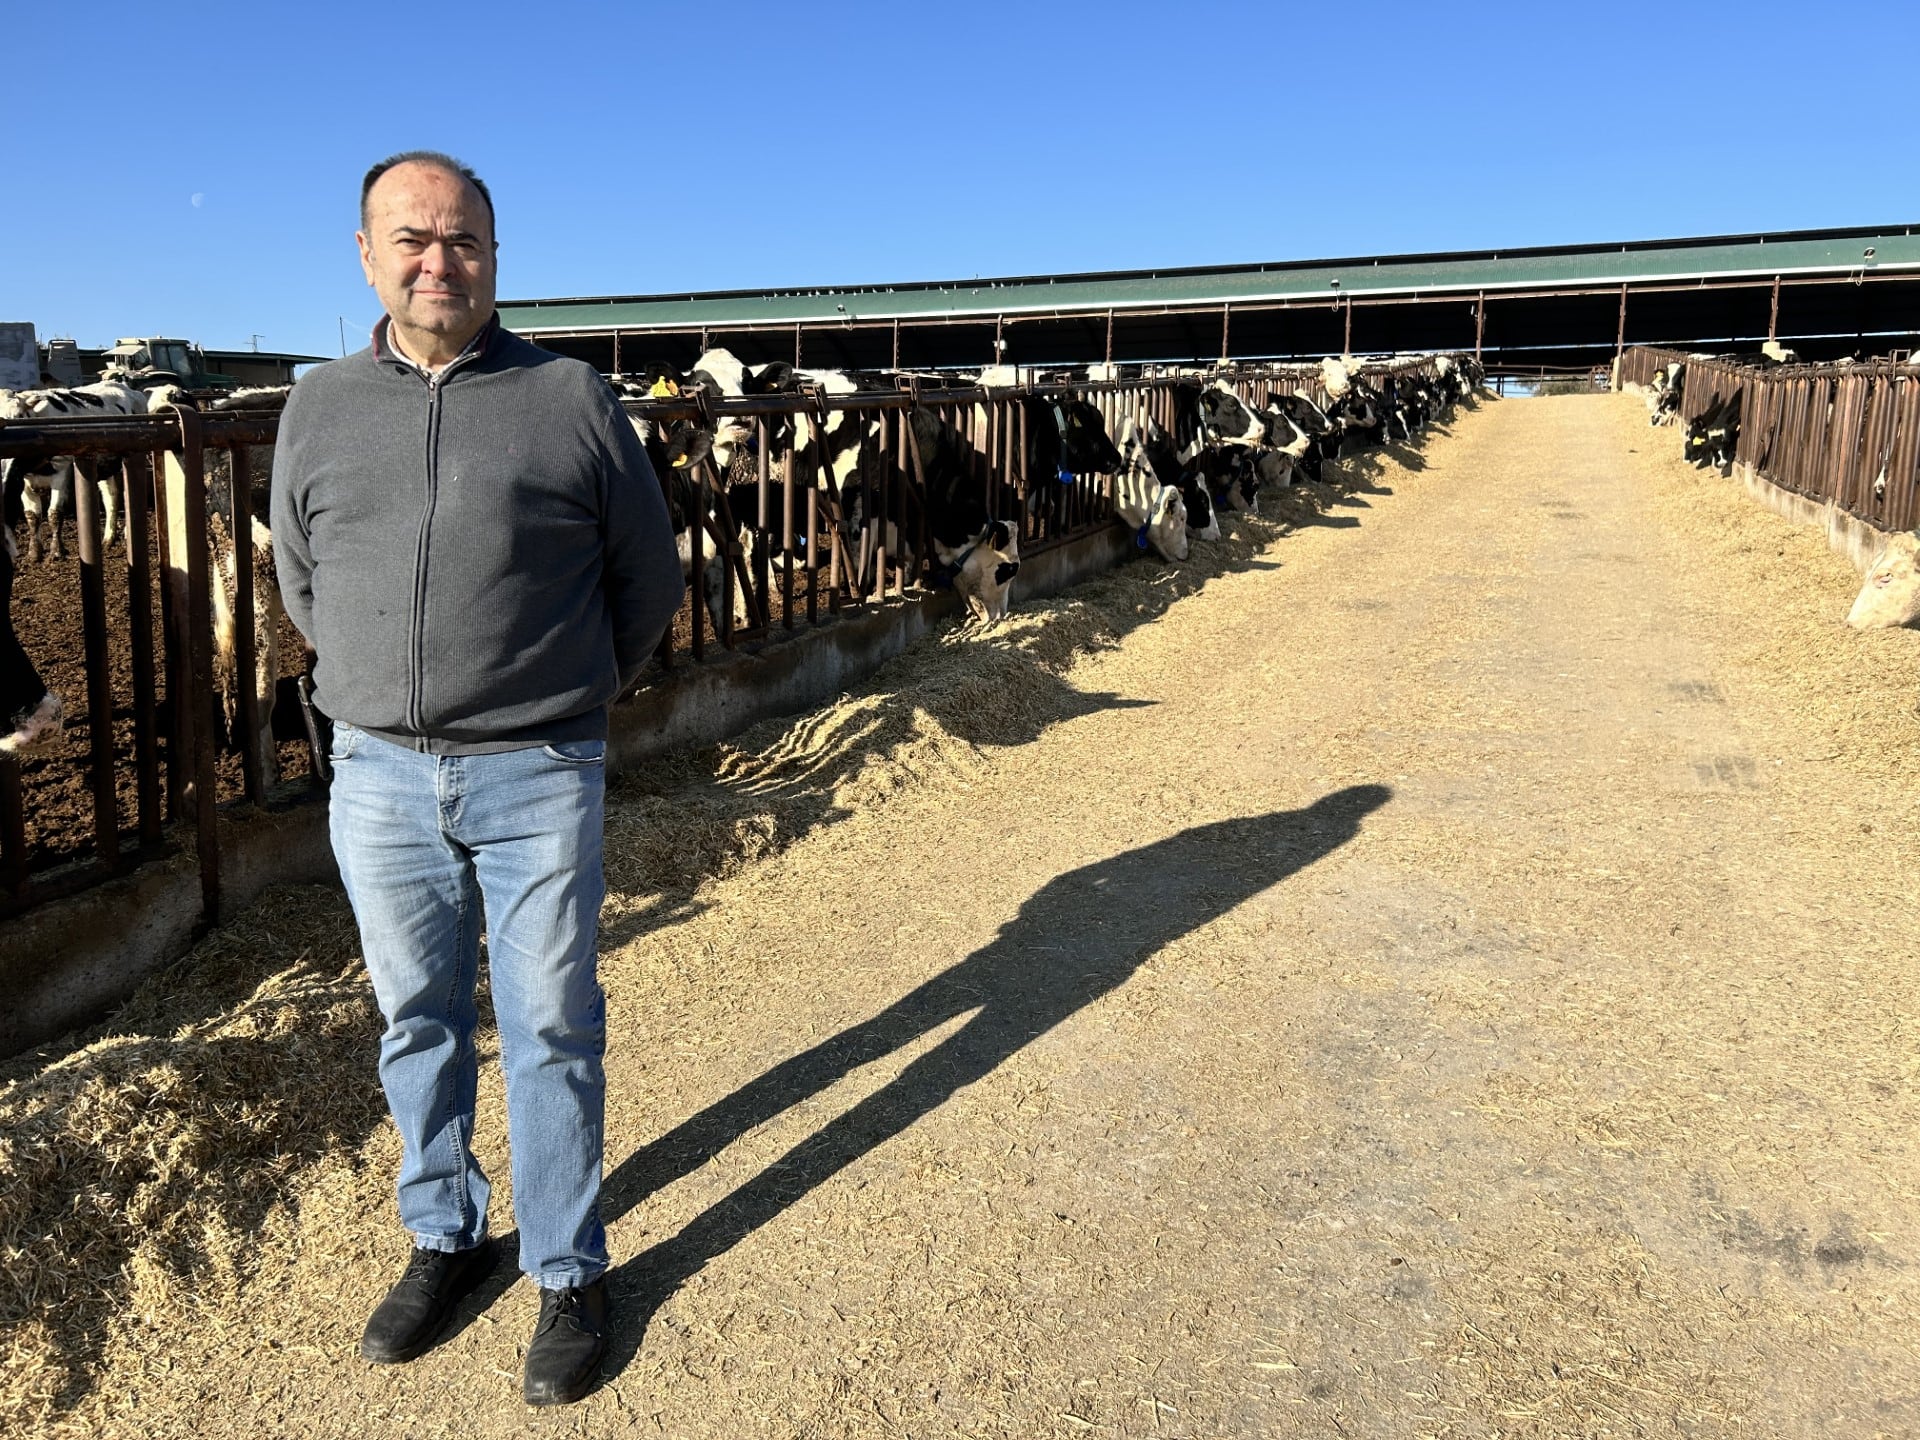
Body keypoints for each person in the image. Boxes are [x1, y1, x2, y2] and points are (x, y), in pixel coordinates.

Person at [271, 150, 681, 1406]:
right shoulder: (317, 405)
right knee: (418, 1019)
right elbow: (302, 575)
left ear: (496, 258)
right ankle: (446, 1237)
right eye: (412, 239)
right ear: (364, 254)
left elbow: (647, 579)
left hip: (538, 768)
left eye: (463, 241)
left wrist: (566, 703)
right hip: (379, 774)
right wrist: (374, 691)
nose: (438, 262)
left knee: (552, 1023)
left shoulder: (570, 399)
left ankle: (566, 1266)